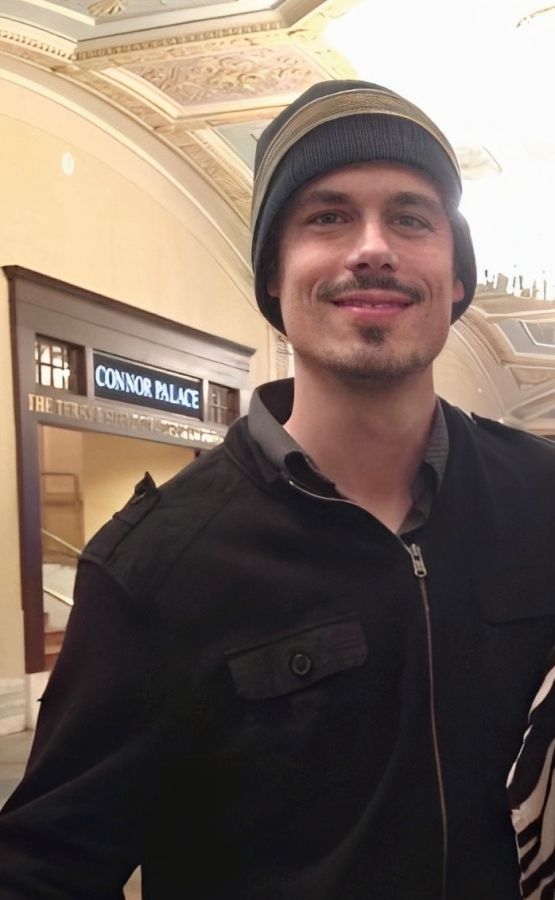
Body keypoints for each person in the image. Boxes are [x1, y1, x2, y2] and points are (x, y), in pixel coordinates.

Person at [0, 79, 554, 900]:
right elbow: (44, 869)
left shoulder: (539, 498)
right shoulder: (156, 564)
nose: (373, 248)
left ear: (457, 277)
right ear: (272, 278)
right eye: (327, 217)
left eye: (410, 218)